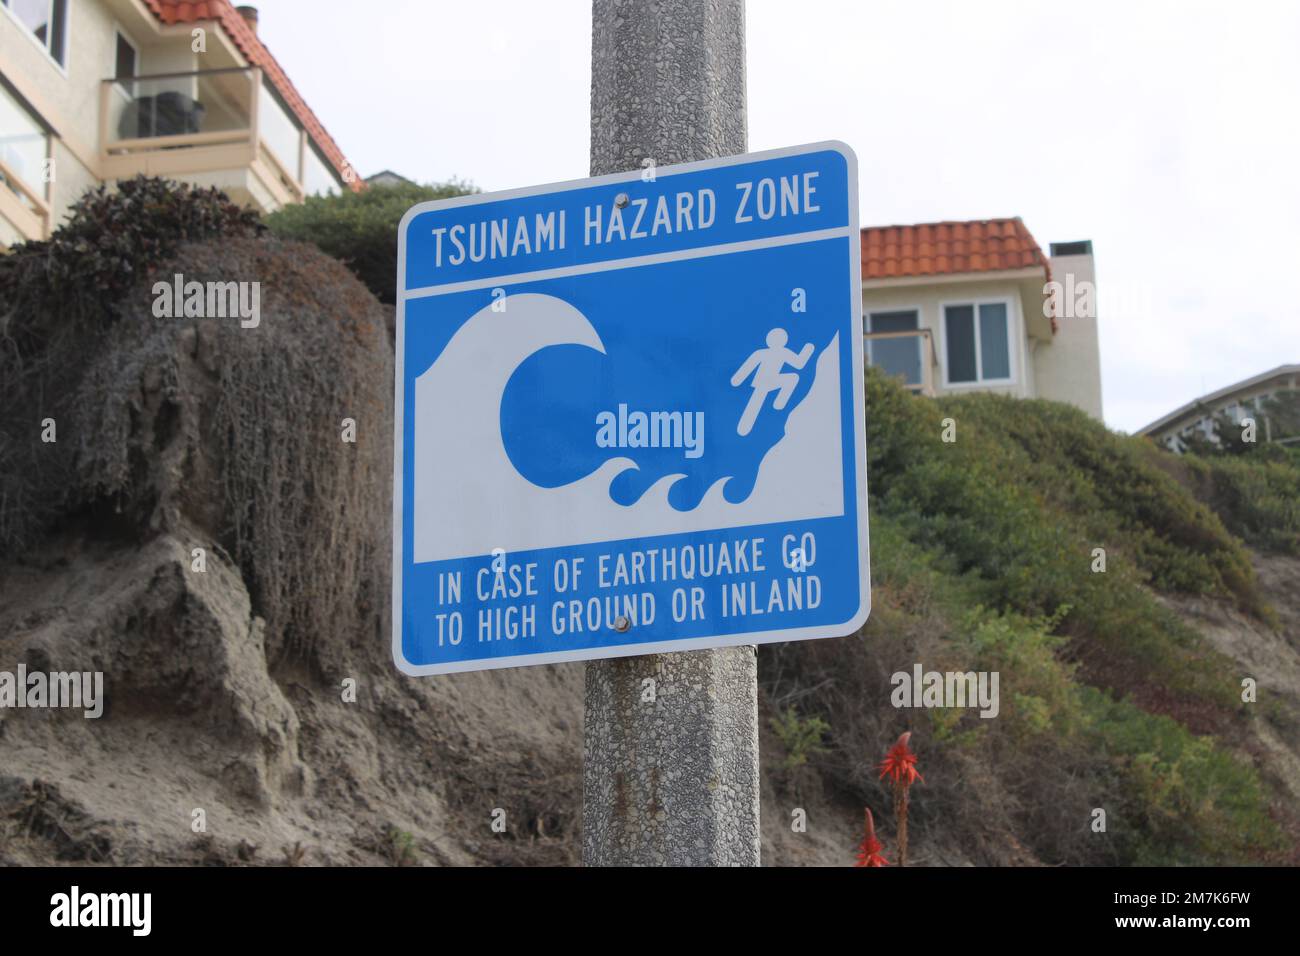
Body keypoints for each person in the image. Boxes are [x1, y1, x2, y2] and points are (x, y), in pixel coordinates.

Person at [730, 328, 815, 436]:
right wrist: (737, 380)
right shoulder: (765, 353)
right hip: (763, 383)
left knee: (792, 378)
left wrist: (808, 349)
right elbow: (748, 367)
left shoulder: (778, 352)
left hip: (770, 381)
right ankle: (778, 404)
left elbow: (799, 363)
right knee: (792, 379)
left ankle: (779, 403)